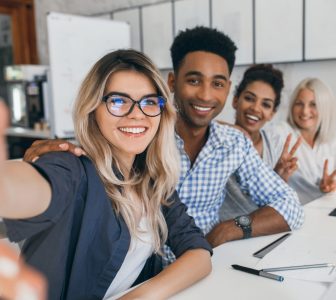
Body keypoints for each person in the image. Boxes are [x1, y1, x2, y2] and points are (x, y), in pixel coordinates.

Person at [22, 27, 304, 249]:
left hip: (205, 263)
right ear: (172, 83)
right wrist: (54, 159)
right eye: (194, 80)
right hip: (140, 270)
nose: (206, 95)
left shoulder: (234, 143)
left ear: (228, 88)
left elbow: (290, 206)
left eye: (217, 84)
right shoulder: (143, 134)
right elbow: (98, 153)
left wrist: (228, 229)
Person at [0, 50, 212, 299]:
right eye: (118, 101)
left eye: (149, 102)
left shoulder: (151, 180)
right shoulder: (71, 167)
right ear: (92, 109)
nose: (137, 113)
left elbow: (199, 254)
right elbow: (18, 189)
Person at [219, 64, 301, 220]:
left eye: (266, 104)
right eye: (249, 98)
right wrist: (233, 130)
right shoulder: (219, 137)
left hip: (262, 230)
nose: (256, 108)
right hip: (224, 232)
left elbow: (277, 204)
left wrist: (278, 179)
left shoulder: (274, 144)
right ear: (236, 101)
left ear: (272, 114)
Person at [268, 78, 336, 204]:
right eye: (299, 103)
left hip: (326, 208)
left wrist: (333, 184)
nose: (305, 111)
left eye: (313, 104)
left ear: (325, 107)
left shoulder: (331, 137)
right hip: (294, 211)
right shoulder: (279, 133)